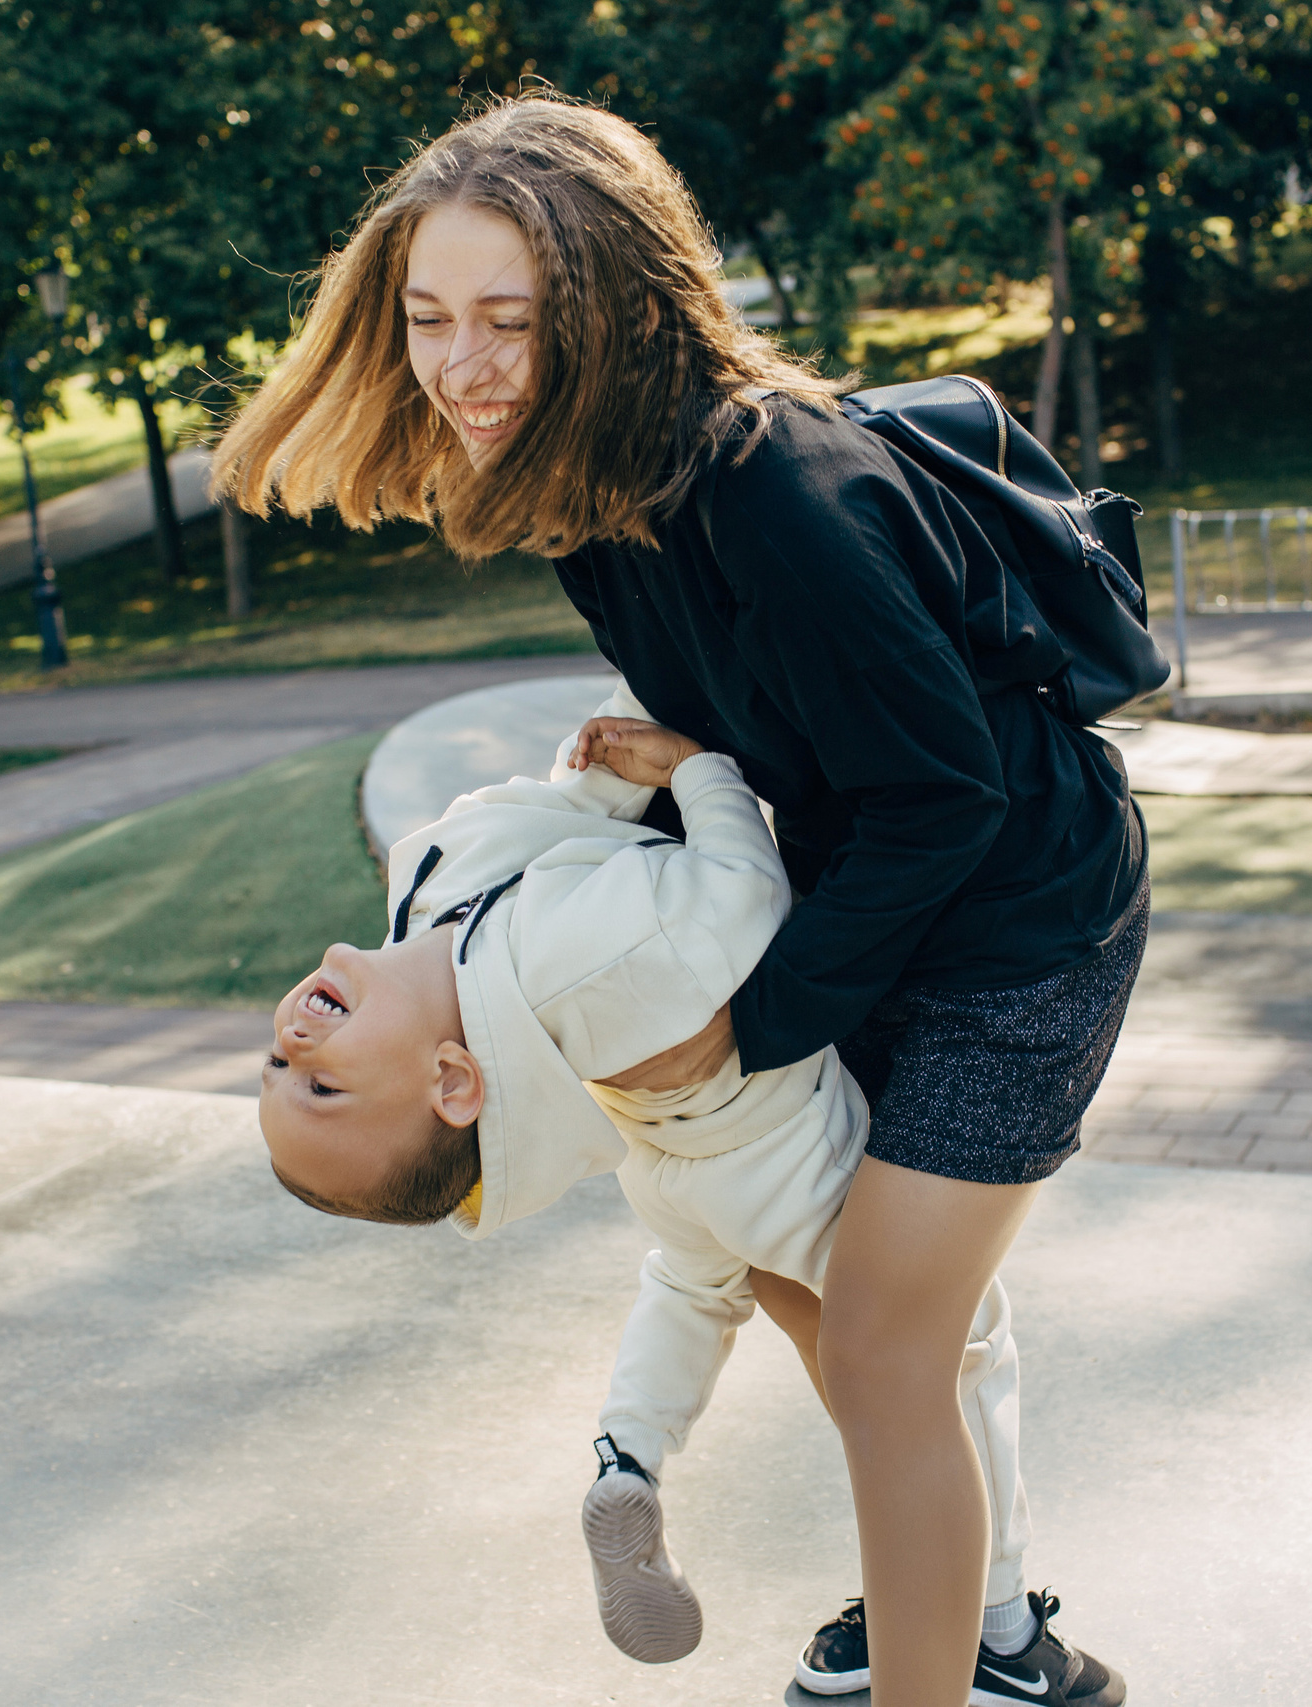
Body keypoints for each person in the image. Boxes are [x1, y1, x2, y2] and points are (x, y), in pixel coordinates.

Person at [213, 92, 1145, 1707]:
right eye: (429, 320)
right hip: (854, 902)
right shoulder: (582, 500)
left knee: (878, 1348)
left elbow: (949, 794)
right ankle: (983, 1628)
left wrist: (747, 1029)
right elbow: (789, 718)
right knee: (812, 1302)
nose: (464, 364)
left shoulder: (775, 486)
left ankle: (960, 1667)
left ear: (612, 306)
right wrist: (669, 767)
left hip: (1018, 926)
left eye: (511, 318)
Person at [259, 708, 1039, 1685]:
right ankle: (996, 1623)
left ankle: (627, 1458)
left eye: (275, 1068)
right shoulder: (573, 958)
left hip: (665, 1169)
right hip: (773, 1153)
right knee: (953, 1346)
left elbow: (540, 822)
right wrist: (699, 771)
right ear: (452, 1083)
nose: (291, 1050)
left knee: (687, 1287)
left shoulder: (427, 897)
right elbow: (743, 899)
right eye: (320, 1089)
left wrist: (605, 773)